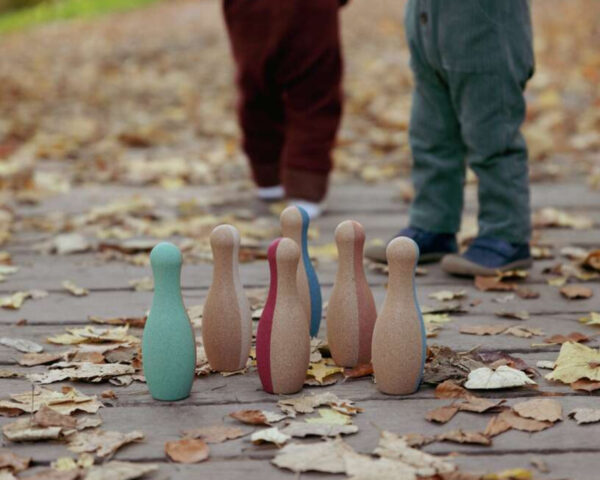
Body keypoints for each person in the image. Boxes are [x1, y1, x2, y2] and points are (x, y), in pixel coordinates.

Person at [366, 0, 535, 277]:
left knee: (493, 136)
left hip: (484, 29)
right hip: (427, 25)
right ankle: (433, 224)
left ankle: (506, 234)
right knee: (430, 135)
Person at [223, 0, 347, 219]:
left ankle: (267, 174)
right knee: (314, 93)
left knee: (256, 87)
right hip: (311, 9)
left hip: (249, 10)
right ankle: (305, 185)